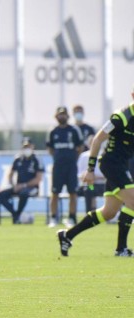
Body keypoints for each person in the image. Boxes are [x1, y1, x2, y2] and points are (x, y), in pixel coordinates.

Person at [58, 89, 134, 257]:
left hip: (121, 165)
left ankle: (67, 235)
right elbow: (98, 140)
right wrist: (90, 170)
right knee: (133, 202)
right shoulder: (121, 116)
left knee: (109, 212)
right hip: (112, 164)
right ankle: (121, 249)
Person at [46, 106, 83, 227]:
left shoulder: (74, 130)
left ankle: (72, 217)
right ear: (56, 116)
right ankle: (53, 218)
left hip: (71, 167)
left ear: (68, 116)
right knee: (55, 192)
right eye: (60, 114)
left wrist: (72, 159)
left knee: (73, 192)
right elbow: (50, 149)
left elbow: (80, 147)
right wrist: (59, 158)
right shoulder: (53, 131)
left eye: (64, 114)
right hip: (58, 167)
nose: (62, 116)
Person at [0, 138, 45, 224]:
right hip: (18, 186)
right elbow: (10, 174)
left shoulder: (37, 159)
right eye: (25, 147)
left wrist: (23, 185)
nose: (27, 149)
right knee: (0, 195)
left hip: (32, 188)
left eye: (29, 146)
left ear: (33, 146)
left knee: (24, 193)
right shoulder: (18, 159)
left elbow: (38, 179)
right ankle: (15, 214)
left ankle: (17, 216)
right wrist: (13, 185)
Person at [76, 137, 105, 213]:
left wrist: (97, 177)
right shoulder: (84, 156)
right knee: (89, 189)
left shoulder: (104, 155)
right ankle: (89, 213)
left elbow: (107, 174)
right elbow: (79, 174)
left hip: (102, 185)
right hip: (90, 184)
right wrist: (85, 176)